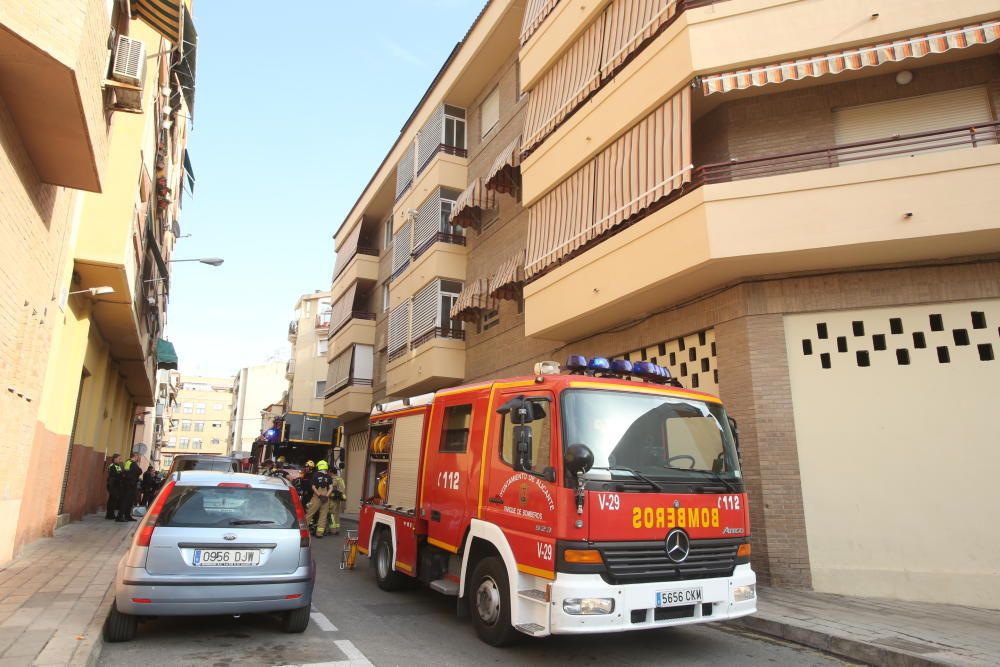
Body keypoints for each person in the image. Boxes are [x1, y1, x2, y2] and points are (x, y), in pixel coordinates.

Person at [304, 460, 334, 538]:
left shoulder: (315, 475)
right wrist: (326, 496)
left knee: (309, 513)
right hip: (326, 497)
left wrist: (319, 495)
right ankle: (319, 534)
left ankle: (303, 532)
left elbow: (313, 487)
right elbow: (331, 488)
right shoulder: (328, 476)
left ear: (319, 466)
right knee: (323, 515)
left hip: (317, 497)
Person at [117, 452, 142, 522]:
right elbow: (129, 473)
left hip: (132, 484)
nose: (139, 458)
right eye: (138, 456)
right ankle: (120, 516)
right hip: (128, 485)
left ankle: (127, 515)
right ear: (135, 456)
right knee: (125, 500)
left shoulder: (133, 463)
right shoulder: (129, 462)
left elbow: (139, 471)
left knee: (130, 501)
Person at [327, 466, 347, 536]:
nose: (328, 473)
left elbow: (331, 487)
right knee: (337, 514)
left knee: (331, 514)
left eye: (328, 472)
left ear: (331, 472)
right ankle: (337, 529)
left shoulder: (333, 479)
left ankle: (333, 530)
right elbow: (343, 488)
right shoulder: (340, 478)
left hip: (332, 498)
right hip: (338, 498)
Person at [105, 454, 124, 520]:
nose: (120, 460)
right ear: (114, 459)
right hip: (112, 485)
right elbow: (114, 475)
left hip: (116, 485)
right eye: (119, 458)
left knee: (113, 500)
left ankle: (111, 514)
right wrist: (121, 475)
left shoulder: (118, 466)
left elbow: (120, 474)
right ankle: (109, 515)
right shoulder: (112, 466)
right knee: (112, 500)